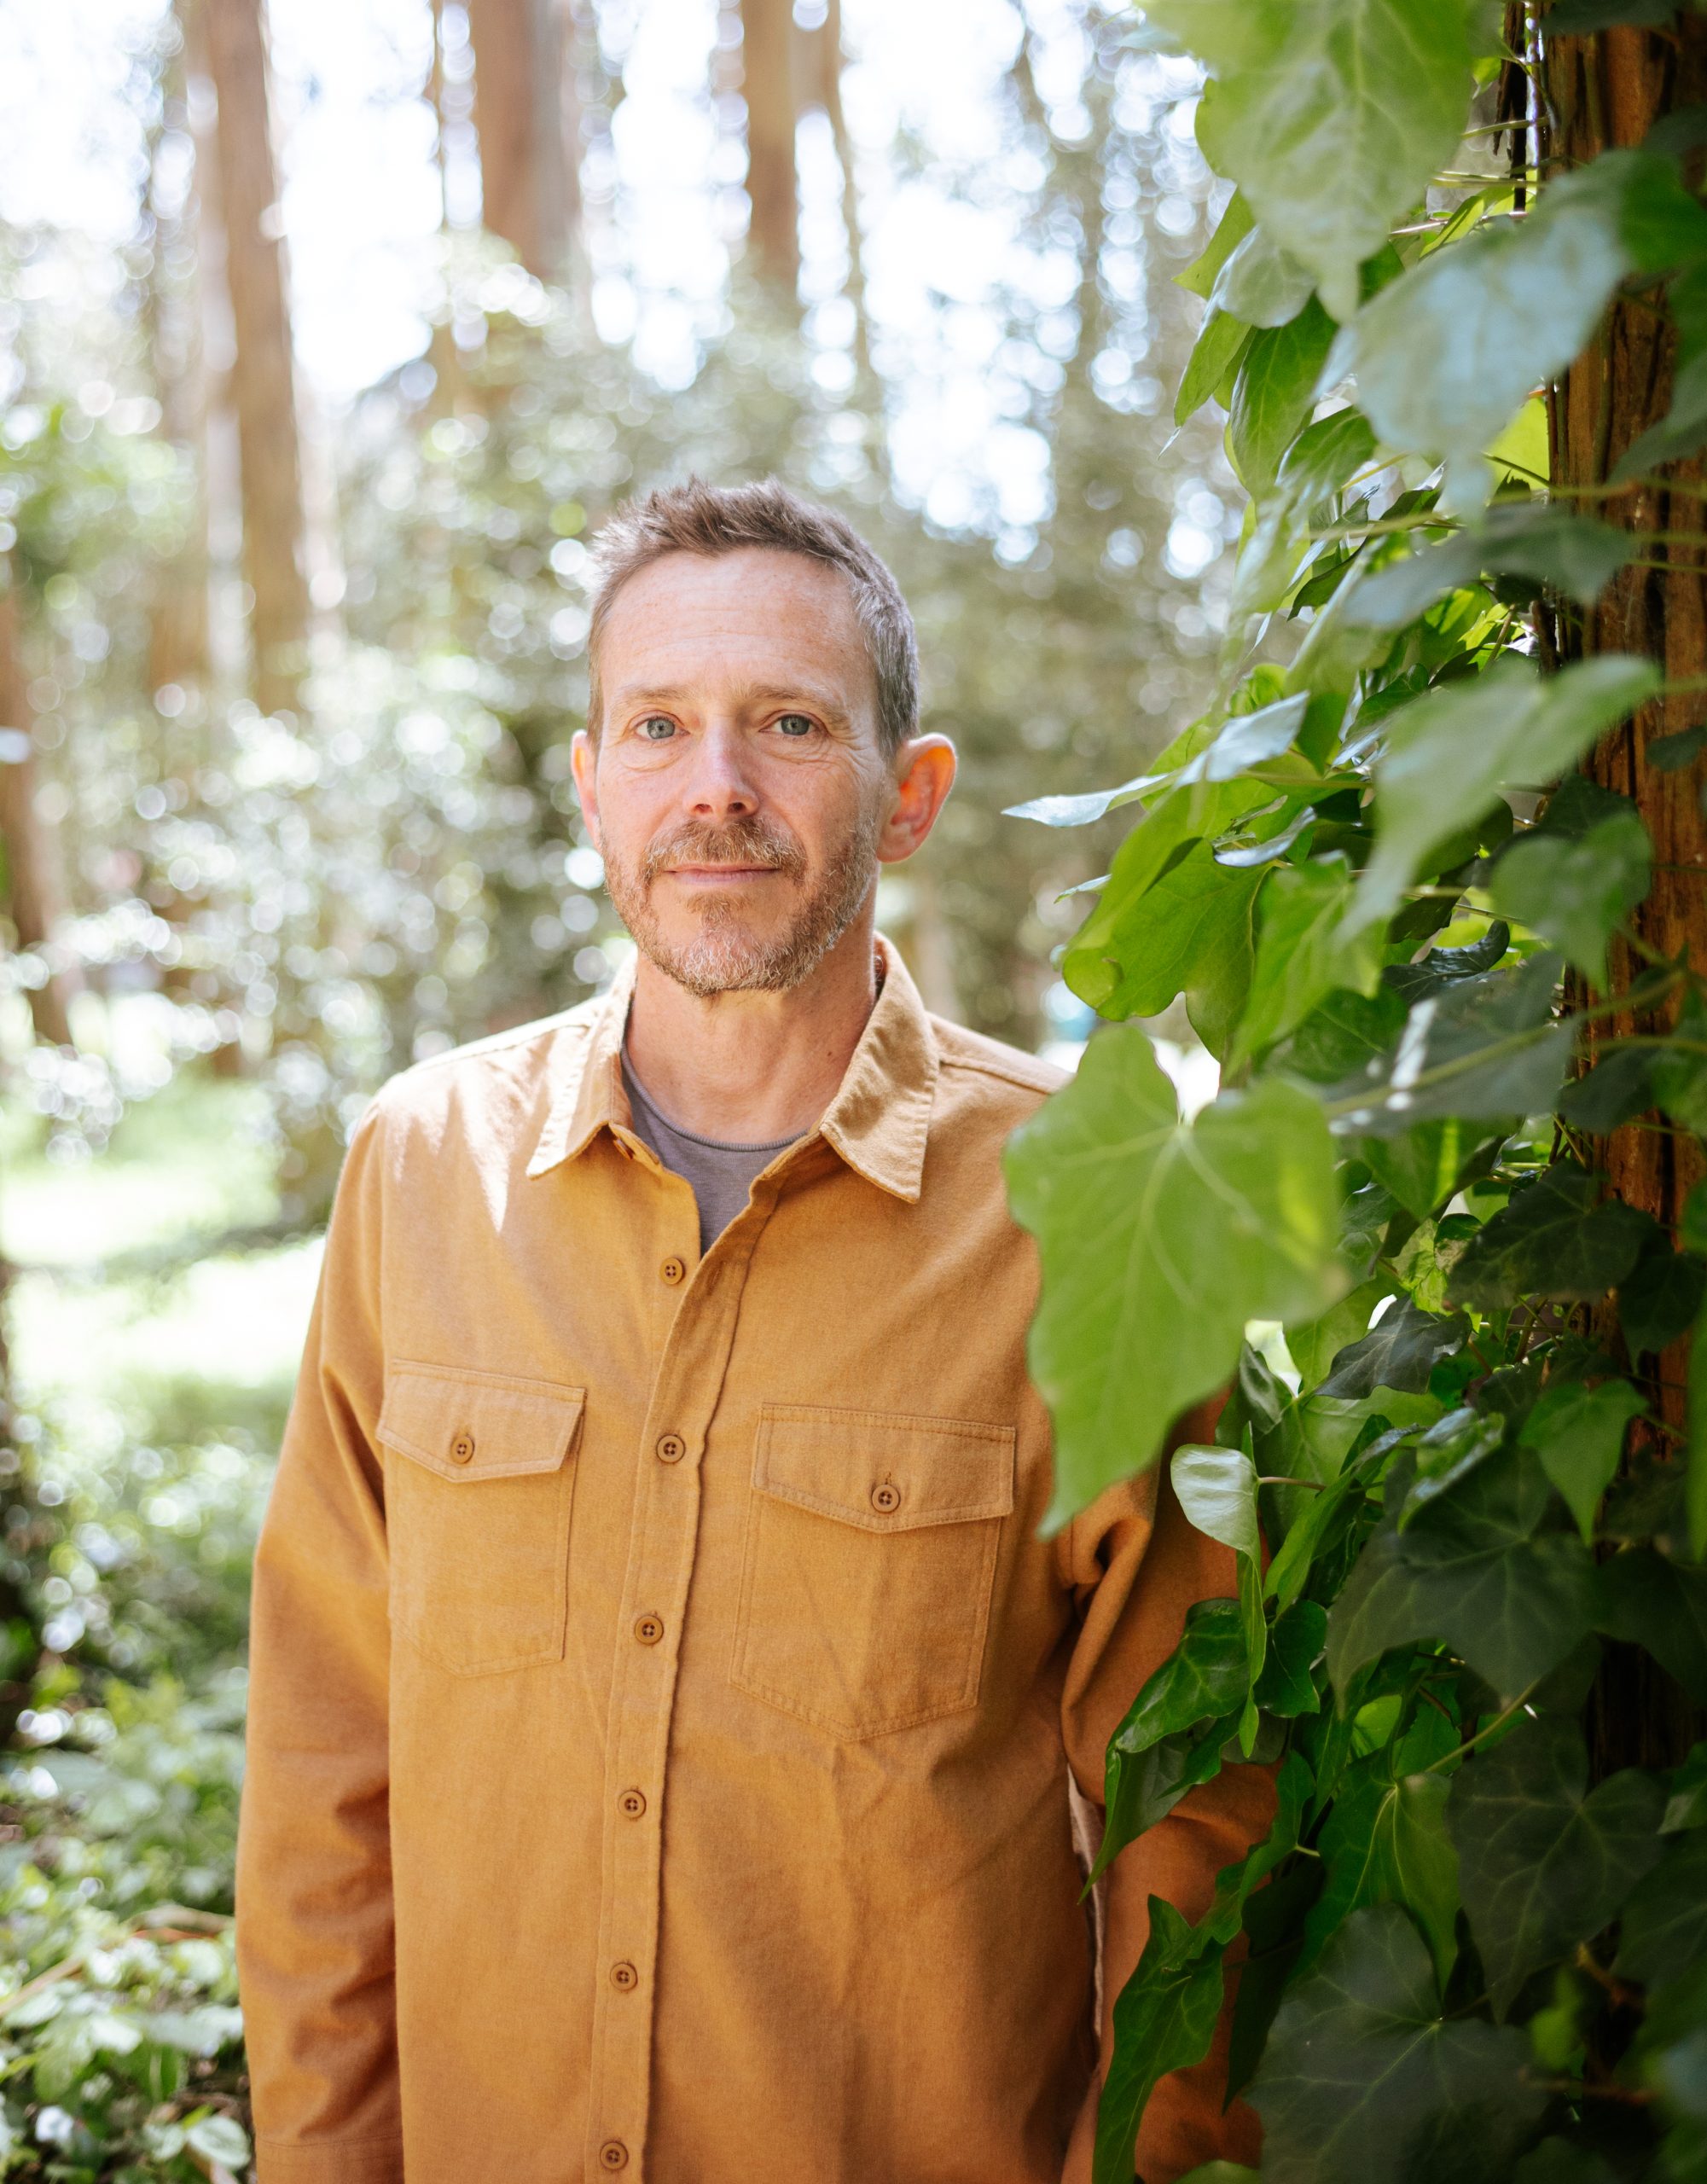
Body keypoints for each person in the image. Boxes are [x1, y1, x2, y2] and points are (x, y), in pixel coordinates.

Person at [235, 478, 1273, 2184]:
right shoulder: (420, 1168)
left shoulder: (1087, 1213)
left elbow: (1196, 1823)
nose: (712, 789)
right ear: (589, 787)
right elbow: (323, 1763)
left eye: (786, 723)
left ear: (907, 793)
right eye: (655, 725)